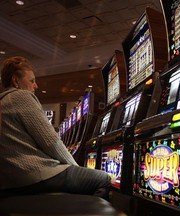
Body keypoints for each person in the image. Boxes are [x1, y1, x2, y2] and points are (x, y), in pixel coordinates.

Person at [0, 56, 111, 199]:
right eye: (32, 81)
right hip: (33, 175)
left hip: (11, 180)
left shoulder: (3, 101)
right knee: (103, 179)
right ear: (16, 80)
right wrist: (75, 168)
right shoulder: (20, 97)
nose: (36, 86)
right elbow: (51, 142)